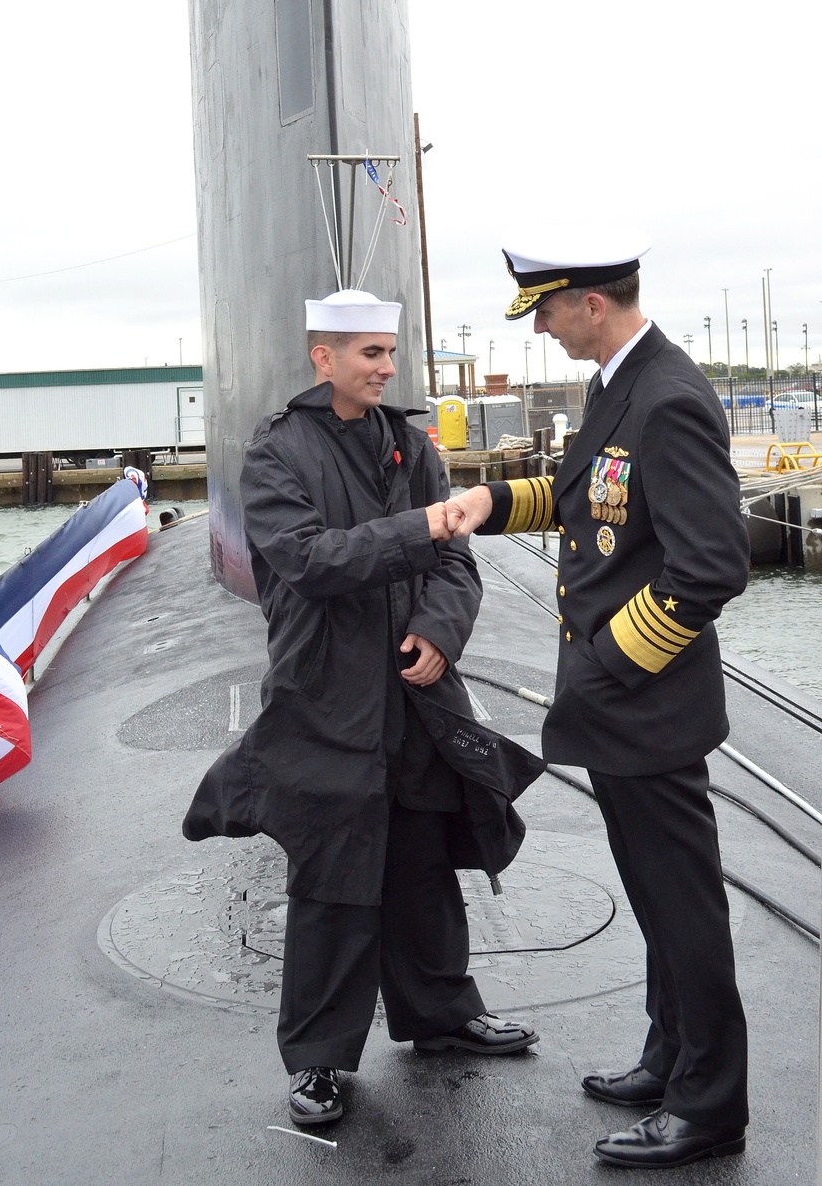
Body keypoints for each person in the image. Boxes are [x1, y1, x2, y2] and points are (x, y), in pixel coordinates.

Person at [183, 288, 542, 1128]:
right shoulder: (279, 455)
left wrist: (439, 631)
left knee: (420, 859)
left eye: (389, 351)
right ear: (324, 358)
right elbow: (311, 560)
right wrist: (420, 526)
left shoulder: (412, 445)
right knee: (334, 873)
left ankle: (444, 1014)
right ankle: (317, 1058)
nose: (387, 367)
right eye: (370, 353)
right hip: (327, 694)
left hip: (414, 694)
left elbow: (456, 565)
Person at [446, 238, 750, 1170]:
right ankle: (670, 1054)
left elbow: (713, 566)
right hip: (623, 712)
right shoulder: (619, 385)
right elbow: (591, 505)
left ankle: (710, 1103)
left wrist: (613, 658)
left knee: (684, 906)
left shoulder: (667, 398)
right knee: (659, 902)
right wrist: (490, 502)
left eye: (544, 308)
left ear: (587, 302)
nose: (538, 325)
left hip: (646, 708)